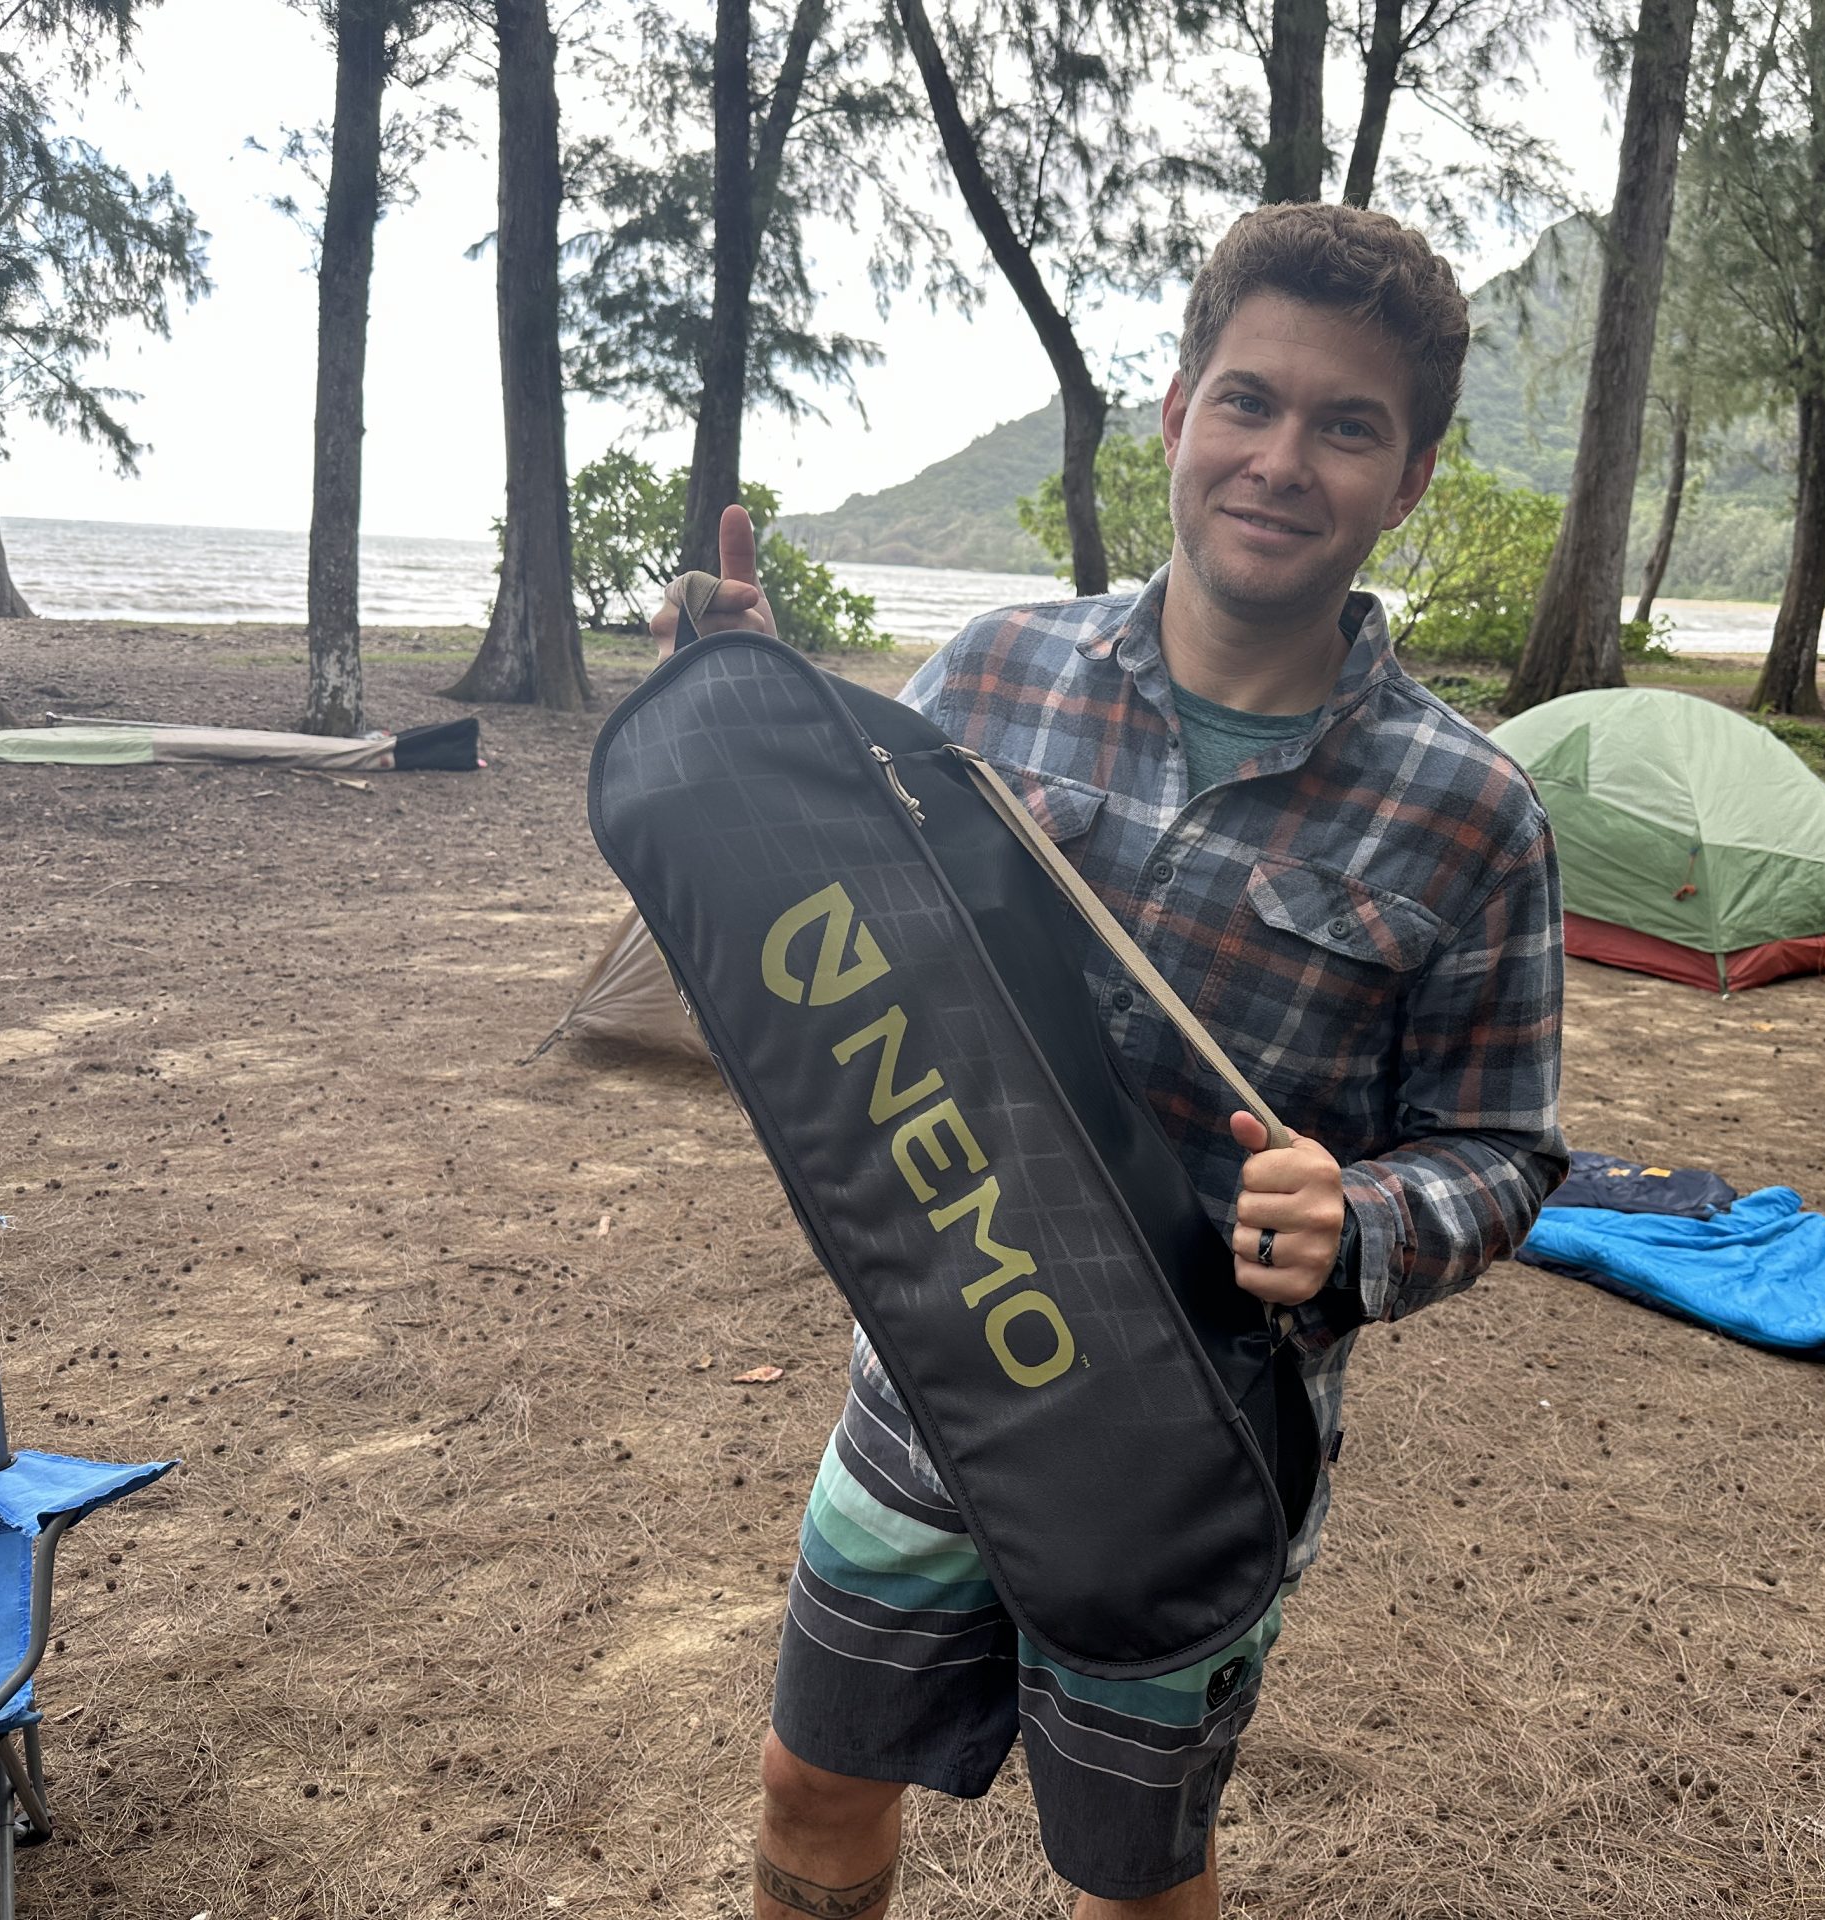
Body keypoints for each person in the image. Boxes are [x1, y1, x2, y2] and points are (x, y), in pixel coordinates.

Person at [653, 202, 1567, 1918]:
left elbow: (1503, 1150)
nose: (1281, 460)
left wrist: (1361, 1220)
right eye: (1249, 401)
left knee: (1133, 1875)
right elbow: (833, 938)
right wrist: (748, 731)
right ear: (1174, 415)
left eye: (1346, 425)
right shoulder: (988, 677)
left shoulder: (1473, 813)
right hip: (933, 1368)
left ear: (1413, 475)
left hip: (1191, 1441)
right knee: (810, 1775)